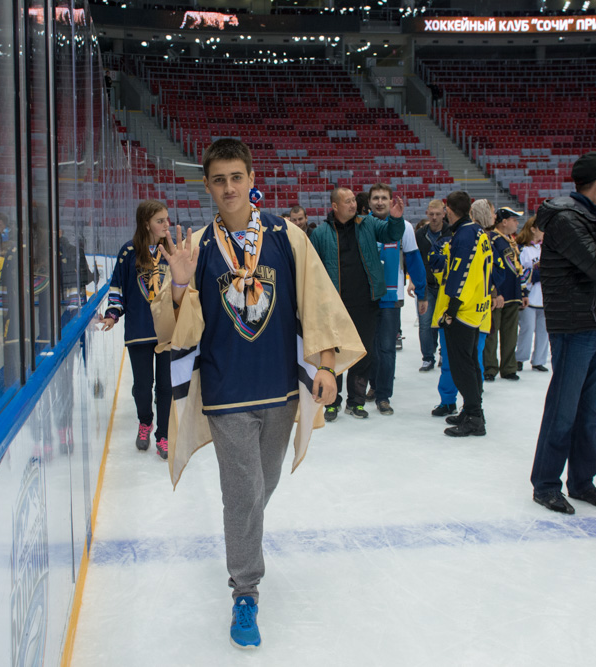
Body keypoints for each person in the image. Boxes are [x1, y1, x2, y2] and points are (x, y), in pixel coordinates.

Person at [152, 139, 364, 650]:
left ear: (251, 179)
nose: (228, 188)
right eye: (218, 180)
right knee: (243, 493)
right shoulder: (196, 246)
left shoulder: (287, 236)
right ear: (207, 185)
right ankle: (245, 590)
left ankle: (241, 532)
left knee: (260, 486)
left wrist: (327, 365)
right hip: (225, 393)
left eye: (236, 177)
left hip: (279, 389)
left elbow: (317, 303)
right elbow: (172, 332)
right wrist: (178, 287)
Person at [530, 151, 596, 514]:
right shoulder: (567, 217)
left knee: (590, 411)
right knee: (564, 409)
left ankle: (582, 481)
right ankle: (546, 484)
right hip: (574, 326)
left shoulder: (595, 214)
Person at [310, 187, 406, 420]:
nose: (353, 204)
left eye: (354, 200)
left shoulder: (368, 224)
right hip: (335, 306)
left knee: (363, 354)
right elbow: (312, 270)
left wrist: (395, 219)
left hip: (366, 303)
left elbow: (391, 235)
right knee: (334, 354)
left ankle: (356, 402)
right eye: (348, 201)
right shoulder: (320, 233)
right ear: (335, 206)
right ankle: (332, 402)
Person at [99, 200, 173, 458]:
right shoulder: (128, 252)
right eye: (160, 221)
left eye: (166, 219)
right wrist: (112, 314)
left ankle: (163, 435)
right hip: (139, 331)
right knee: (142, 386)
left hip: (167, 332)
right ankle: (145, 422)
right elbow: (117, 287)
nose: (166, 225)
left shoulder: (171, 249)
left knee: (166, 387)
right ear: (146, 223)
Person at [434, 191, 493, 437]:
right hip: (477, 307)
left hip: (464, 310)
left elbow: (461, 275)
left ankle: (475, 417)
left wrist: (451, 310)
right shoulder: (478, 231)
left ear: (448, 209)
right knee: (471, 364)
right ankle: (471, 410)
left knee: (462, 367)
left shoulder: (465, 235)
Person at [368, 183, 427, 415]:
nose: (380, 202)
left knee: (386, 348)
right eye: (375, 198)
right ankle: (374, 384)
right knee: (369, 347)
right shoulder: (363, 225)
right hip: (366, 297)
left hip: (391, 297)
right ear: (369, 202)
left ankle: (383, 395)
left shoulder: (406, 227)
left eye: (384, 198)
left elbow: (413, 260)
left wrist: (421, 292)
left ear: (391, 201)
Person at [484, 207, 526, 381]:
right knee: (492, 334)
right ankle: (490, 368)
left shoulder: (510, 240)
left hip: (513, 294)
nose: (517, 223)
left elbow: (516, 268)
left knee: (510, 334)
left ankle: (509, 368)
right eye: (514, 220)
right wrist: (496, 292)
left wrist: (522, 292)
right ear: (504, 221)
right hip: (499, 295)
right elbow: (491, 268)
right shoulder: (492, 239)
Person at [515, 216, 549, 372]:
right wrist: (535, 272)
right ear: (533, 229)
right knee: (527, 329)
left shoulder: (546, 248)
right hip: (529, 295)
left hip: (544, 296)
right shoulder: (522, 249)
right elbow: (520, 271)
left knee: (544, 331)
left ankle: (539, 360)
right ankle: (520, 358)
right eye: (541, 228)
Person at [415, 200, 446, 372]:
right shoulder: (420, 234)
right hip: (426, 285)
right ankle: (427, 357)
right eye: (431, 214)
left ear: (444, 214)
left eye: (438, 214)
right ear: (427, 213)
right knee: (425, 323)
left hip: (445, 286)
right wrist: (414, 281)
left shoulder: (450, 232)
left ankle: (443, 353)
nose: (434, 217)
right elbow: (415, 259)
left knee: (444, 322)